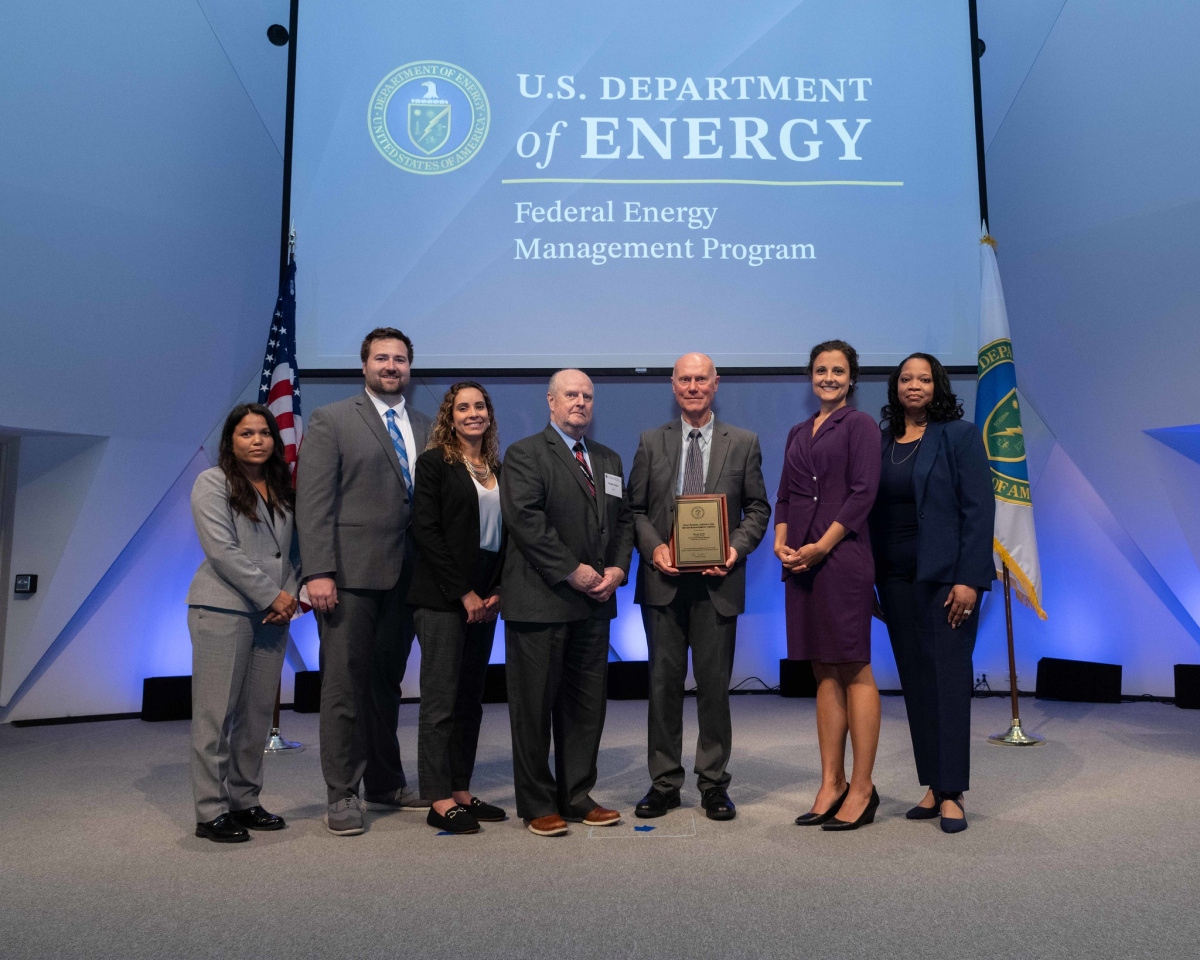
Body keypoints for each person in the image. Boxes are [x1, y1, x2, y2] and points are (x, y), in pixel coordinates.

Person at [295, 326, 433, 836]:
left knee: (385, 687)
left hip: (408, 578)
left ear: (409, 369)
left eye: (399, 359)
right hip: (348, 578)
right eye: (381, 358)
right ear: (364, 366)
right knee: (343, 687)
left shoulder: (425, 424)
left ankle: (384, 781)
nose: (391, 366)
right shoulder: (331, 420)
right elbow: (312, 505)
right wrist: (318, 572)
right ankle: (342, 794)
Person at [627, 353, 770, 821]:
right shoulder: (651, 441)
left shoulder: (744, 442)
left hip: (717, 583)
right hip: (663, 585)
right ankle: (664, 783)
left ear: (715, 383)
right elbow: (636, 510)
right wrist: (654, 550)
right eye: (685, 379)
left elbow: (758, 508)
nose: (693, 386)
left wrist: (735, 549)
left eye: (701, 379)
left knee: (714, 689)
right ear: (673, 385)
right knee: (663, 686)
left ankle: (713, 785)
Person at [499, 369, 635, 837]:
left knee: (585, 707)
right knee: (533, 708)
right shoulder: (524, 454)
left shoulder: (609, 458)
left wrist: (618, 570)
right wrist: (573, 571)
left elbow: (624, 523)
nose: (580, 402)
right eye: (571, 395)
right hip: (540, 602)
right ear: (551, 403)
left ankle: (577, 795)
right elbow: (526, 522)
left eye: (587, 396)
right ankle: (538, 803)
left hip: (595, 603)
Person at [869, 353, 994, 834]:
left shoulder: (959, 436)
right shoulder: (882, 444)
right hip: (895, 579)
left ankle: (953, 792)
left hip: (947, 581)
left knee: (947, 681)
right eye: (906, 379)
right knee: (917, 682)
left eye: (924, 379)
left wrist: (970, 579)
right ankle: (931, 783)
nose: (914, 386)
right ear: (895, 387)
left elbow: (978, 512)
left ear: (937, 386)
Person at [774, 339, 883, 831]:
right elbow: (783, 496)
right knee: (823, 671)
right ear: (810, 376)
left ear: (852, 379)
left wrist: (822, 544)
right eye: (821, 370)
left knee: (855, 668)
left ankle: (862, 788)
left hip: (841, 559)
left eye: (838, 371)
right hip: (800, 563)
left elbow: (863, 494)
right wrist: (781, 542)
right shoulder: (799, 430)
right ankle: (831, 782)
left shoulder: (860, 425)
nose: (829, 378)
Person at [186, 403, 300, 842]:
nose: (257, 441)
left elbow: (292, 552)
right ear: (230, 441)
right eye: (246, 433)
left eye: (264, 433)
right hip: (223, 610)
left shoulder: (281, 487)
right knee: (216, 716)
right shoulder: (211, 482)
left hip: (274, 615)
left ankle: (245, 801)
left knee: (255, 718)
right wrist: (275, 594)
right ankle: (210, 811)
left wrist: (288, 597)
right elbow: (222, 552)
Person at [409, 382, 508, 835]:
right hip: (443, 598)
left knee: (470, 699)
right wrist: (463, 592)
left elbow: (509, 538)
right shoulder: (433, 464)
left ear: (489, 414)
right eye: (463, 407)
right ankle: (438, 797)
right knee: (440, 701)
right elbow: (426, 533)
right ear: (450, 417)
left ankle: (462, 789)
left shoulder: (499, 469)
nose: (473, 414)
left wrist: (499, 590)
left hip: (486, 599)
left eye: (479, 406)